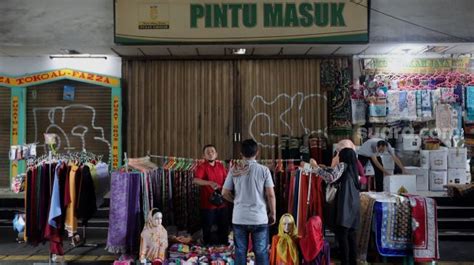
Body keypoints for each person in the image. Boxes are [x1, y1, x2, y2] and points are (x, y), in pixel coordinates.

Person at [222, 139, 276, 265]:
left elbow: (224, 193)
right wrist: (273, 213)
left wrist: (235, 200)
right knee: (261, 252)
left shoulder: (234, 170)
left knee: (240, 251)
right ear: (257, 152)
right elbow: (270, 195)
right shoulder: (264, 170)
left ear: (241, 153)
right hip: (259, 218)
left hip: (239, 218)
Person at [308, 148, 360, 265]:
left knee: (343, 236)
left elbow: (331, 177)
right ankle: (352, 262)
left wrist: (316, 168)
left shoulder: (343, 165)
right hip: (353, 206)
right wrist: (324, 167)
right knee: (351, 236)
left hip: (345, 205)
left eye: (338, 155)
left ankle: (345, 262)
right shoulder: (353, 168)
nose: (337, 157)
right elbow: (335, 173)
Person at [193, 144, 229, 245]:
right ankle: (207, 249)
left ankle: (224, 247)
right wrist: (209, 182)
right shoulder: (202, 167)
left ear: (216, 154)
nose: (210, 153)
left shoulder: (221, 166)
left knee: (224, 227)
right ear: (204, 156)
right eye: (207, 152)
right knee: (207, 228)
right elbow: (195, 180)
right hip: (208, 204)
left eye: (212, 151)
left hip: (223, 202)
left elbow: (226, 180)